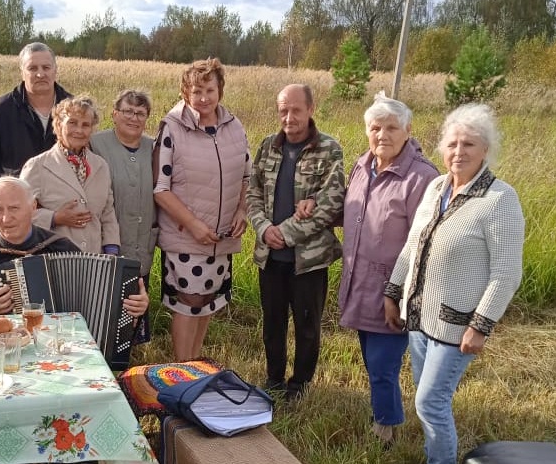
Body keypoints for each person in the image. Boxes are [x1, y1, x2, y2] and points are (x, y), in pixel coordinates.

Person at [0, 176, 148, 464]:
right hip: (9, 363)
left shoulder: (60, 247)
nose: (7, 217)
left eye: (14, 208)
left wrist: (138, 308)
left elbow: (117, 302)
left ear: (33, 207)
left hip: (64, 359)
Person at [385, 104, 524, 464]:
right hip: (419, 318)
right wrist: (393, 292)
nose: (459, 151)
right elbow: (412, 245)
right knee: (425, 398)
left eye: (469, 143)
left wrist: (481, 325)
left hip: (456, 326)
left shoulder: (500, 199)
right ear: (442, 148)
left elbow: (506, 272)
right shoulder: (436, 188)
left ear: (485, 150)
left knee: (431, 401)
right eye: (452, 143)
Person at [304, 93, 439, 439]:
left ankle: (385, 429)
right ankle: (384, 415)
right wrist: (315, 207)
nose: (383, 135)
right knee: (372, 360)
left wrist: (399, 293)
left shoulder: (420, 178)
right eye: (375, 128)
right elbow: (355, 214)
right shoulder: (363, 165)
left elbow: (424, 243)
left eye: (392, 127)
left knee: (382, 365)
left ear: (408, 130)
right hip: (360, 283)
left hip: (392, 289)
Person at [246, 84, 345, 402]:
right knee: (273, 322)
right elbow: (253, 193)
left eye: (296, 110)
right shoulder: (267, 147)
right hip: (271, 258)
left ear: (310, 109)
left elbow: (331, 203)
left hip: (309, 260)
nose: (289, 117)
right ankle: (273, 378)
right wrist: (263, 229)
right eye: (283, 110)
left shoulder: (329, 149)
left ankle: (299, 383)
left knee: (307, 325)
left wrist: (285, 233)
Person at [152, 57, 250, 362]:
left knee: (208, 301)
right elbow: (160, 188)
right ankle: (183, 371)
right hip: (187, 235)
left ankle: (195, 364)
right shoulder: (171, 128)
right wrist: (193, 224)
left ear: (220, 89)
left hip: (221, 237)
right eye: (197, 91)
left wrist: (242, 210)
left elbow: (247, 176)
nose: (204, 97)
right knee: (189, 301)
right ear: (185, 93)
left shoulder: (234, 127)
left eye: (209, 89)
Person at [90, 89, 156, 344]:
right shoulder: (97, 143)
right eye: (127, 111)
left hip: (142, 241)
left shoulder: (155, 146)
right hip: (108, 241)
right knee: (105, 309)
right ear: (114, 114)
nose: (133, 118)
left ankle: (132, 359)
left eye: (140, 113)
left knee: (136, 302)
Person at [20, 95, 121, 255]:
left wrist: (111, 249)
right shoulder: (37, 166)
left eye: (85, 125)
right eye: (72, 123)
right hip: (53, 259)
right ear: (59, 125)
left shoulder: (100, 165)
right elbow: (19, 213)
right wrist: (55, 218)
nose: (79, 130)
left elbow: (107, 212)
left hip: (94, 260)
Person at [0, 42, 72, 186]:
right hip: (15, 202)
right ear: (22, 72)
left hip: (64, 202)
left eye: (46, 67)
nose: (40, 74)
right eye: (32, 68)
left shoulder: (74, 110)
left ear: (55, 70)